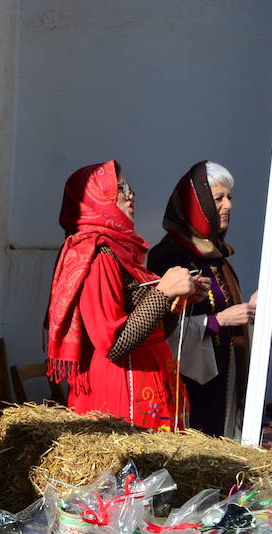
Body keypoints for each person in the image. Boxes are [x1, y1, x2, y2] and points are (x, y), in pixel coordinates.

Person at [46, 160, 208, 429]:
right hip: (119, 395)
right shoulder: (97, 256)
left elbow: (154, 331)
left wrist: (176, 300)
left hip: (144, 386)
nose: (131, 195)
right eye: (121, 188)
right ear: (98, 195)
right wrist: (163, 292)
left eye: (130, 188)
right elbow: (114, 344)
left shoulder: (123, 253)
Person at [147, 162, 272, 437]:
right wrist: (218, 321)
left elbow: (226, 313)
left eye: (229, 197)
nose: (228, 205)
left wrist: (253, 308)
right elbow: (158, 330)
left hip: (222, 381)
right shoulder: (169, 256)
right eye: (218, 198)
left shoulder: (217, 257)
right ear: (197, 205)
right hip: (188, 386)